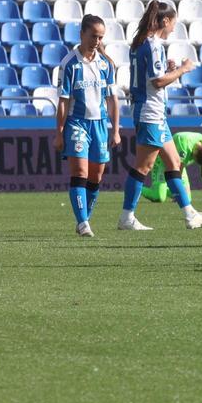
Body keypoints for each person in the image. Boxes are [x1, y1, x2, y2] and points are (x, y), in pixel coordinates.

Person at [122, 1, 202, 231]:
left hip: (153, 112)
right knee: (144, 167)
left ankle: (189, 213)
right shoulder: (153, 45)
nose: (174, 27)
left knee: (174, 162)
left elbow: (151, 78)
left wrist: (167, 69)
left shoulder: (140, 43)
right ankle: (127, 216)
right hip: (150, 113)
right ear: (165, 21)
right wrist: (182, 70)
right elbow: (156, 82)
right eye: (173, 22)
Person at [54, 14, 121, 237]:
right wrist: (60, 132)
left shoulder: (106, 64)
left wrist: (116, 129)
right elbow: (63, 102)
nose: (97, 41)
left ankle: (84, 219)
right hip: (77, 124)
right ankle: (83, 223)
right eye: (93, 36)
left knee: (96, 176)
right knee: (80, 172)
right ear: (82, 34)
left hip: (100, 124)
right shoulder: (69, 64)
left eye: (100, 37)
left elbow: (112, 100)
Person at [145, 131, 202, 204]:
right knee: (159, 197)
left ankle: (163, 189)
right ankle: (135, 188)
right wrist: (177, 192)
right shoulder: (184, 147)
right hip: (161, 161)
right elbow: (177, 173)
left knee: (186, 199)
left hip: (177, 163)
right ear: (195, 155)